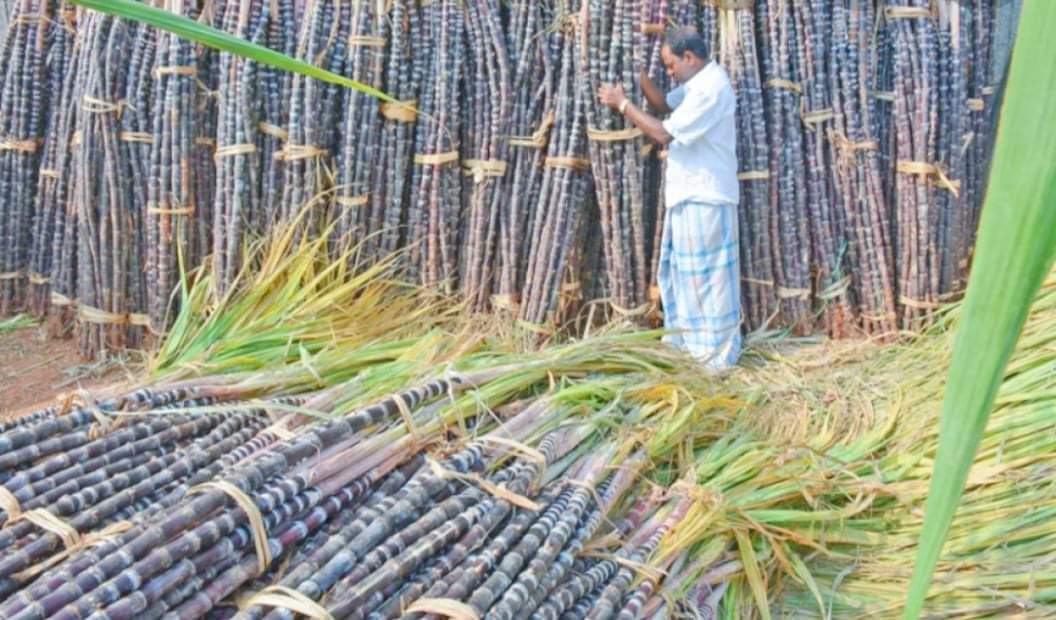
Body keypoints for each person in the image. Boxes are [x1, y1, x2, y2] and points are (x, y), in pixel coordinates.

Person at [597, 26, 741, 372]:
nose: (670, 72)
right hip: (691, 196)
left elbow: (662, 132)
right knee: (686, 279)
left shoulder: (712, 88)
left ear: (689, 57)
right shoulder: (698, 85)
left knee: (708, 283)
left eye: (671, 64)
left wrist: (623, 104)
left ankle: (715, 359)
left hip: (706, 197)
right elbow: (662, 104)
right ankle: (694, 352)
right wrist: (639, 71)